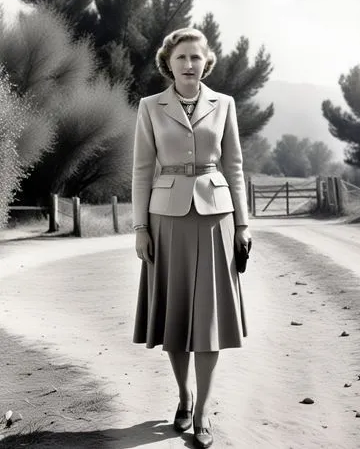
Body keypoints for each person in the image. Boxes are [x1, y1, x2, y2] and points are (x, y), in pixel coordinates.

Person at [132, 27, 251, 448]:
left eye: (196, 58)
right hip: (165, 219)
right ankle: (182, 396)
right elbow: (143, 170)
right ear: (169, 62)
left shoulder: (225, 105)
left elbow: (234, 166)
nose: (188, 64)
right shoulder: (150, 106)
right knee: (176, 315)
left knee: (210, 319)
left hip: (217, 217)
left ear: (206, 62)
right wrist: (140, 226)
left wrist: (243, 224)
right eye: (181, 57)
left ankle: (202, 411)